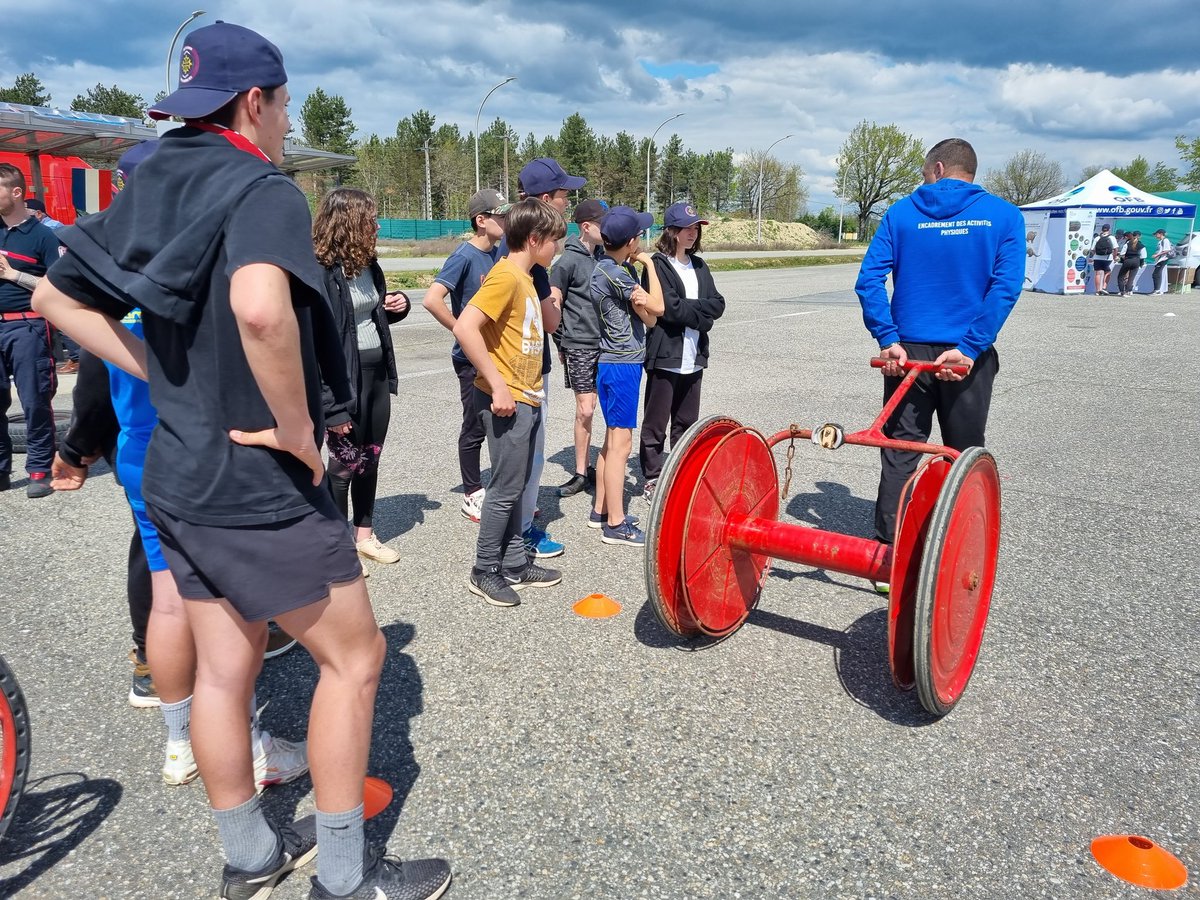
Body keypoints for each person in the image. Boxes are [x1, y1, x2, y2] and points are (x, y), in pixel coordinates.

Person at [33, 22, 450, 899]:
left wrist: (151, 368)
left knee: (227, 667)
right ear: (254, 102)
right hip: (253, 482)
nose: (286, 125)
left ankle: (250, 859)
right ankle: (343, 880)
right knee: (356, 659)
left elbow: (53, 293)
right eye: (285, 105)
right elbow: (262, 311)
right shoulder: (261, 187)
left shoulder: (160, 176)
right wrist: (299, 429)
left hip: (177, 474)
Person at [854, 138, 1023, 592]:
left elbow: (869, 279)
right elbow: (1005, 288)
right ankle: (955, 546)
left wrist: (888, 339)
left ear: (938, 167)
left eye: (925, 171)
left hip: (908, 353)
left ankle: (889, 554)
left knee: (901, 448)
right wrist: (970, 347)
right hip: (964, 356)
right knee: (962, 451)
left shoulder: (902, 213)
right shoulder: (1005, 216)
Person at [452, 197, 566, 608]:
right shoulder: (505, 277)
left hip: (528, 395)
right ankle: (484, 570)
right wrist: (498, 386)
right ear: (534, 240)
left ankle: (515, 562)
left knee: (517, 484)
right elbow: (466, 327)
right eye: (554, 241)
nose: (558, 248)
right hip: (508, 400)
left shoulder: (527, 278)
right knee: (502, 489)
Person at [314, 187, 411, 567]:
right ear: (349, 222)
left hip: (376, 376)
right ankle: (338, 548)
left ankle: (365, 536)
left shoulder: (367, 263)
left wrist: (396, 305)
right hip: (344, 382)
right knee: (341, 466)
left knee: (370, 458)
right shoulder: (321, 270)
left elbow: (369, 317)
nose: (377, 225)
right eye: (370, 218)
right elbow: (318, 341)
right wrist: (332, 407)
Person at [508, 157, 585, 560]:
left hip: (516, 372)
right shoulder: (527, 260)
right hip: (518, 377)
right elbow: (549, 322)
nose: (567, 203)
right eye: (563, 196)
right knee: (524, 459)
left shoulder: (518, 248)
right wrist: (552, 300)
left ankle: (516, 528)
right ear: (543, 200)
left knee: (521, 460)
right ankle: (517, 536)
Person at [422, 187, 508, 523]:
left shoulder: (500, 253)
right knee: (475, 426)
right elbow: (432, 299)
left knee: (501, 425)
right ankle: (472, 492)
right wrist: (462, 330)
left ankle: (500, 490)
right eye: (500, 215)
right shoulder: (464, 256)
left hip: (497, 356)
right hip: (471, 360)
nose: (506, 219)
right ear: (482, 220)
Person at [638, 202, 725, 505]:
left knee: (686, 422)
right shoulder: (658, 265)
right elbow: (667, 309)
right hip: (666, 354)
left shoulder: (699, 265)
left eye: (696, 227)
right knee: (655, 423)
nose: (693, 233)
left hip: (694, 355)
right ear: (672, 231)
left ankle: (679, 474)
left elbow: (718, 304)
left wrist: (694, 311)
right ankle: (651, 478)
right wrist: (702, 317)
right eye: (687, 227)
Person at [589, 205, 664, 546]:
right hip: (621, 365)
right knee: (621, 445)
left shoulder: (610, 269)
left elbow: (648, 319)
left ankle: (602, 509)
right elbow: (658, 309)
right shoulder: (618, 275)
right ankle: (616, 525)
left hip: (614, 362)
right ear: (632, 242)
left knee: (610, 441)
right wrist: (649, 264)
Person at [0, 162, 61, 498]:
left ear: (17, 192)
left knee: (35, 399)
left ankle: (39, 468)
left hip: (26, 325)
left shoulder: (43, 236)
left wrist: (13, 275)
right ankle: (0, 470)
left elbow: (60, 287)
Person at [549, 197, 607, 498]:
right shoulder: (567, 262)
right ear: (586, 227)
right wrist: (561, 342)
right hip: (580, 346)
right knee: (586, 409)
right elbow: (552, 304)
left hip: (607, 347)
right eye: (602, 224)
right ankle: (581, 473)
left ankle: (599, 467)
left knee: (604, 408)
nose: (608, 229)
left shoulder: (605, 258)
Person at [1117, 230, 1146, 296]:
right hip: (1136, 261)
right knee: (1131, 278)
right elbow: (1143, 256)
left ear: (1132, 235)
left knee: (1120, 277)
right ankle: (1127, 291)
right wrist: (1140, 264)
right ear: (1140, 237)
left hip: (1128, 260)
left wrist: (1125, 259)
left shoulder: (1127, 243)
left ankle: (1122, 291)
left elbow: (1122, 254)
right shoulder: (1141, 245)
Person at [1091, 224, 1116, 295]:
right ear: (1109, 229)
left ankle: (1098, 290)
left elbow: (1092, 250)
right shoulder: (1111, 237)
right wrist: (1114, 257)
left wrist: (1096, 255)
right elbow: (1115, 248)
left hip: (1097, 258)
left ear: (1102, 229)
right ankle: (1104, 287)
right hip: (1108, 258)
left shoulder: (1097, 238)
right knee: (1108, 272)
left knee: (1098, 274)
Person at [1150, 228, 1173, 295]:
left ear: (1161, 234)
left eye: (1156, 234)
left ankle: (1157, 290)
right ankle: (1156, 289)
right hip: (1159, 259)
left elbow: (1167, 250)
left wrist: (1157, 255)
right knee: (1156, 274)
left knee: (1156, 274)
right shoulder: (1160, 241)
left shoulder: (1165, 240)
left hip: (1163, 259)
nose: (1155, 235)